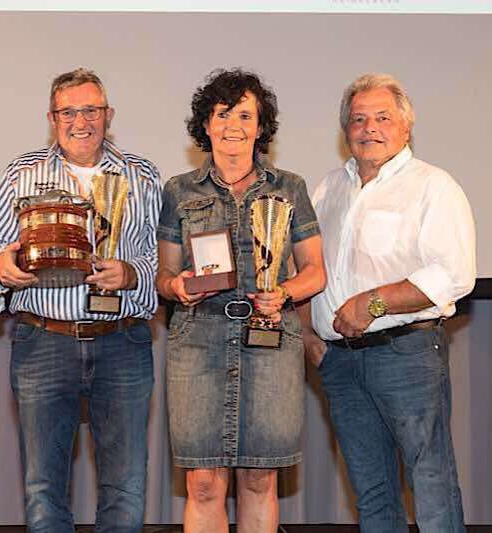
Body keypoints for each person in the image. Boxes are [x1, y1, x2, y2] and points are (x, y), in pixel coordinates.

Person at [0, 67, 162, 533]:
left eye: (91, 110)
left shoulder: (142, 175)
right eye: (68, 112)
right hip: (43, 341)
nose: (80, 121)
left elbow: (163, 259)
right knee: (43, 487)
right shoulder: (24, 173)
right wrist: (4, 266)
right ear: (51, 117)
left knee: (126, 486)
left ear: (108, 114)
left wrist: (133, 272)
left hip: (123, 343)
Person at [301, 73, 476, 532]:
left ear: (406, 127)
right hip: (339, 364)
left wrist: (374, 304)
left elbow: (453, 274)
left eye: (382, 117)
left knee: (431, 481)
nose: (369, 128)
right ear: (346, 131)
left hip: (408, 355)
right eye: (358, 119)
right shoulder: (327, 190)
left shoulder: (433, 186)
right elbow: (306, 267)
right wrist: (308, 339)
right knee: (372, 492)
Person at [156, 68, 326, 533]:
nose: (233, 124)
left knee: (258, 479)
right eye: (222, 113)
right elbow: (163, 276)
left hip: (271, 337)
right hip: (197, 338)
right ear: (205, 125)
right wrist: (177, 287)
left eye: (245, 115)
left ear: (260, 126)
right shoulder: (178, 191)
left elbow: (314, 272)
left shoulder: (289, 187)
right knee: (204, 484)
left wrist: (284, 293)